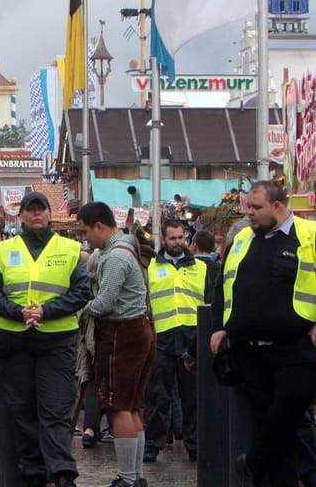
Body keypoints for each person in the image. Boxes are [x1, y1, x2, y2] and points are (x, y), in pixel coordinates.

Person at [208, 181, 316, 486]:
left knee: (291, 405)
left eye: (256, 208)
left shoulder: (309, 235)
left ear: (278, 206)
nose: (249, 214)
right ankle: (268, 476)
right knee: (270, 422)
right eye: (248, 207)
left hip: (295, 347)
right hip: (250, 351)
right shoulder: (242, 239)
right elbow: (222, 285)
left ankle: (254, 460)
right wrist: (219, 325)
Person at [0, 191, 90, 487]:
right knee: (23, 410)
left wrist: (47, 311)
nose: (37, 214)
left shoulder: (69, 249)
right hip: (15, 338)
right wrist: (18, 313)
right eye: (31, 210)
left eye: (42, 209)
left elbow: (82, 292)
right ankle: (32, 472)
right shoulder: (4, 251)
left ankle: (62, 473)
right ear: (22, 215)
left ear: (50, 214)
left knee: (54, 410)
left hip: (56, 339)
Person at [78, 202, 154, 487]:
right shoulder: (129, 249)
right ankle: (137, 476)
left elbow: (105, 302)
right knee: (132, 406)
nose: (86, 239)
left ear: (100, 226)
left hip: (121, 334)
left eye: (86, 232)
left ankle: (126, 477)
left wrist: (79, 311)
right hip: (141, 330)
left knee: (118, 405)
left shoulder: (114, 258)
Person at [143, 217, 211, 463]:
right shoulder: (151, 267)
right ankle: (153, 444)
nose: (178, 242)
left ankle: (195, 445)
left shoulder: (200, 267)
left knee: (192, 398)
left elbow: (209, 302)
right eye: (173, 238)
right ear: (163, 239)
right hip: (162, 339)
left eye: (181, 237)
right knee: (158, 397)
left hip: (192, 340)